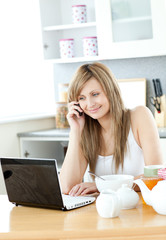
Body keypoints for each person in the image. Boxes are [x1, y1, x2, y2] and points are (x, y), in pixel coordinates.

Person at [59, 62, 163, 196]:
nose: (90, 104)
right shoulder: (84, 131)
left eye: (95, 94)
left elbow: (155, 177)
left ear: (110, 90)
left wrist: (100, 186)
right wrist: (75, 131)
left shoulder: (139, 116)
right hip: (103, 211)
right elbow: (67, 187)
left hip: (139, 209)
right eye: (82, 98)